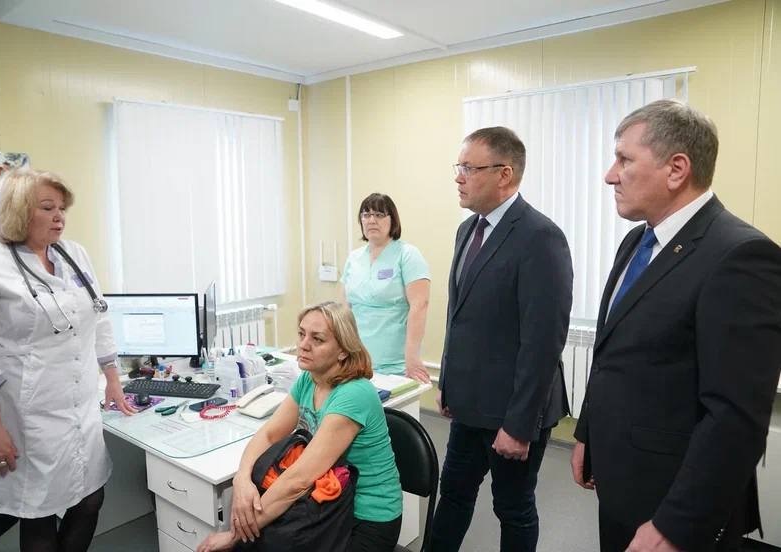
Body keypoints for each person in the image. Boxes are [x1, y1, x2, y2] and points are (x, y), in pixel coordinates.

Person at [570, 99, 781, 552]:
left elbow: (735, 416)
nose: (609, 175)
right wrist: (588, 434)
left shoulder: (740, 256)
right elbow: (612, 354)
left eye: (624, 159)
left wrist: (675, 524)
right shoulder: (637, 241)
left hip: (675, 503)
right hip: (621, 478)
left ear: (676, 169)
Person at [0, 168, 135, 552]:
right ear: (19, 211)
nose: (59, 217)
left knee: (91, 497)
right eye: (48, 208)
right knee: (38, 513)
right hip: (25, 416)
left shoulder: (73, 254)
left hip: (79, 408)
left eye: (62, 208)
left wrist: (113, 380)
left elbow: (99, 316)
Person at [432, 127, 573, 552]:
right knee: (453, 494)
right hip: (469, 404)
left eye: (468, 168)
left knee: (512, 508)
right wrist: (448, 383)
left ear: (504, 174)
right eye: (458, 167)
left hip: (513, 410)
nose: (458, 177)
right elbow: (459, 318)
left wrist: (518, 426)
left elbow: (543, 341)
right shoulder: (467, 231)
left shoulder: (539, 236)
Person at [197, 302, 402, 552]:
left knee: (248, 543)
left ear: (342, 351)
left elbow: (299, 480)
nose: (304, 344)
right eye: (302, 334)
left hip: (367, 516)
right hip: (328, 499)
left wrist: (234, 536)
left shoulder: (354, 394)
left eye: (318, 339)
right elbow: (270, 434)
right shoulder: (309, 379)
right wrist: (242, 479)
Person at [341, 193, 431, 383]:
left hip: (395, 364)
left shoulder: (407, 255)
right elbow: (345, 310)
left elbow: (419, 305)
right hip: (356, 359)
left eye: (379, 215)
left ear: (393, 220)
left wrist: (412, 357)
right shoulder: (354, 258)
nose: (371, 220)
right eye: (366, 215)